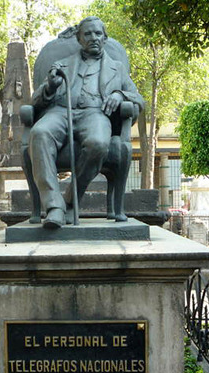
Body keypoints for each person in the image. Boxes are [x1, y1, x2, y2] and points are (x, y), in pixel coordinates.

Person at [28, 16, 144, 228]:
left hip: (95, 113)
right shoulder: (62, 64)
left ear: (104, 37)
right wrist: (50, 87)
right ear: (79, 39)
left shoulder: (116, 68)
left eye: (98, 33)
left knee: (99, 143)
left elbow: (138, 98)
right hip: (60, 111)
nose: (93, 38)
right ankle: (54, 207)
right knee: (39, 133)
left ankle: (70, 198)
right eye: (87, 34)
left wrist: (119, 94)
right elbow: (35, 101)